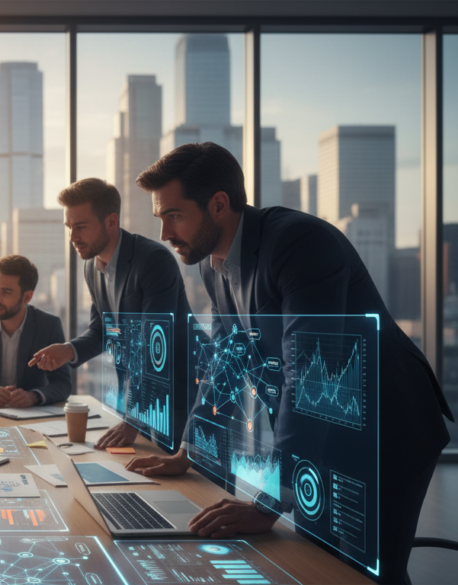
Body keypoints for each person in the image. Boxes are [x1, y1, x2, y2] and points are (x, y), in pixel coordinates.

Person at [125, 142, 452, 583]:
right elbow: (228, 356)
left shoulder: (299, 243)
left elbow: (311, 375)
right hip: (324, 429)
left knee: (367, 573)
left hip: (386, 427)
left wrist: (269, 498)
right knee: (316, 565)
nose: (164, 233)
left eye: (174, 215)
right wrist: (191, 450)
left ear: (218, 204)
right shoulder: (212, 264)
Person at [29, 178, 191, 451]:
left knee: (191, 490)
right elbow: (102, 330)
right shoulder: (91, 268)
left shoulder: (153, 260)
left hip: (177, 403)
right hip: (136, 405)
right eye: (69, 227)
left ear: (111, 222)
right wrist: (68, 351)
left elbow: (155, 349)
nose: (72, 238)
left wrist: (133, 419)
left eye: (80, 227)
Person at [0, 255, 71, 406]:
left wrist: (34, 396)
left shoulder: (49, 326)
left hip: (32, 415)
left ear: (27, 297)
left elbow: (63, 384)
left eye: (6, 292)